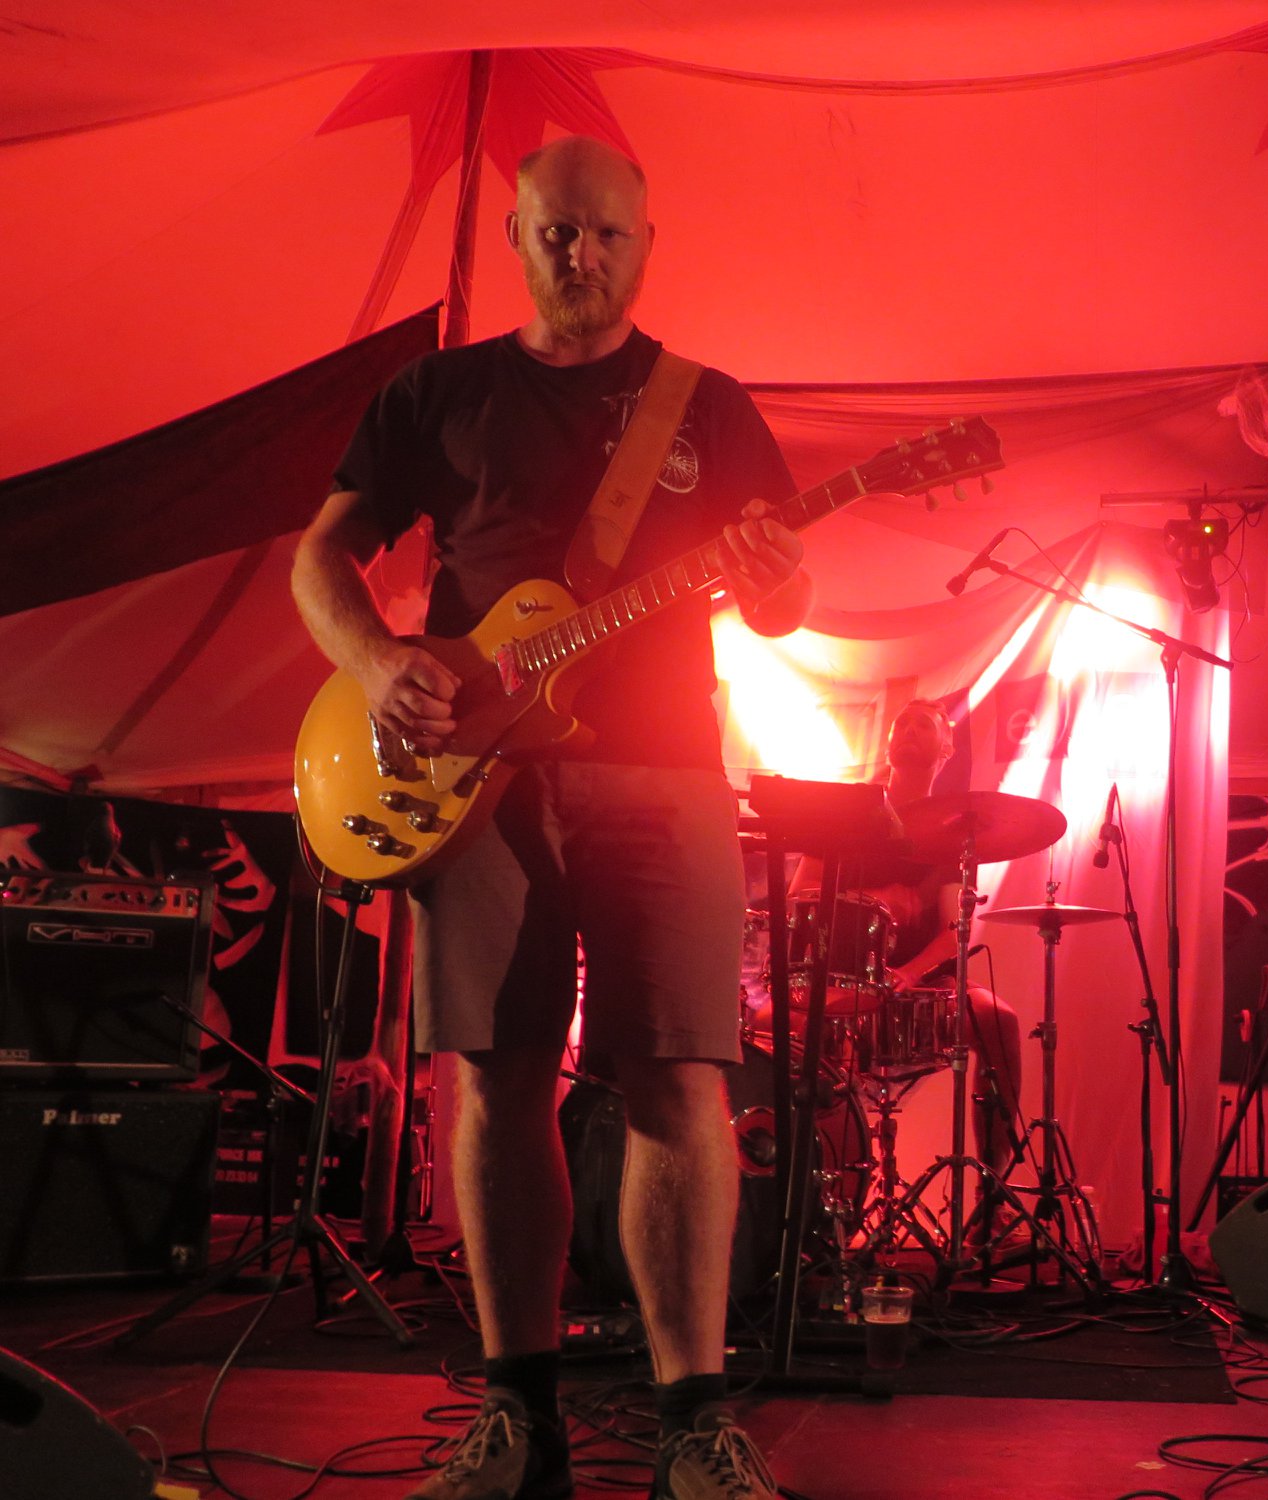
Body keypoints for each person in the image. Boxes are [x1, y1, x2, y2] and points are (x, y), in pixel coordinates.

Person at [292, 135, 807, 1500]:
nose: (583, 255)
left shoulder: (708, 406)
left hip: (665, 770)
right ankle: (517, 1422)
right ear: (516, 233)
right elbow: (320, 553)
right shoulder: (437, 392)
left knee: (678, 1081)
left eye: (607, 234)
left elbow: (782, 603)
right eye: (560, 231)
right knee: (495, 1077)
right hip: (476, 780)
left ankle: (693, 1424)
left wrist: (777, 577)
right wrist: (373, 660)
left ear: (647, 243)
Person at [774, 698, 1024, 1205]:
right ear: (888, 744)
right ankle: (812, 1200)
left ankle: (991, 1198)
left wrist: (909, 972)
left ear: (946, 749)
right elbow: (799, 896)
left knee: (999, 1019)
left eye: (923, 725)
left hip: (923, 982)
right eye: (901, 723)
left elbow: (955, 928)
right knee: (773, 1027)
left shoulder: (955, 833)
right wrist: (873, 897)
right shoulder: (845, 817)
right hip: (841, 980)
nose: (909, 730)